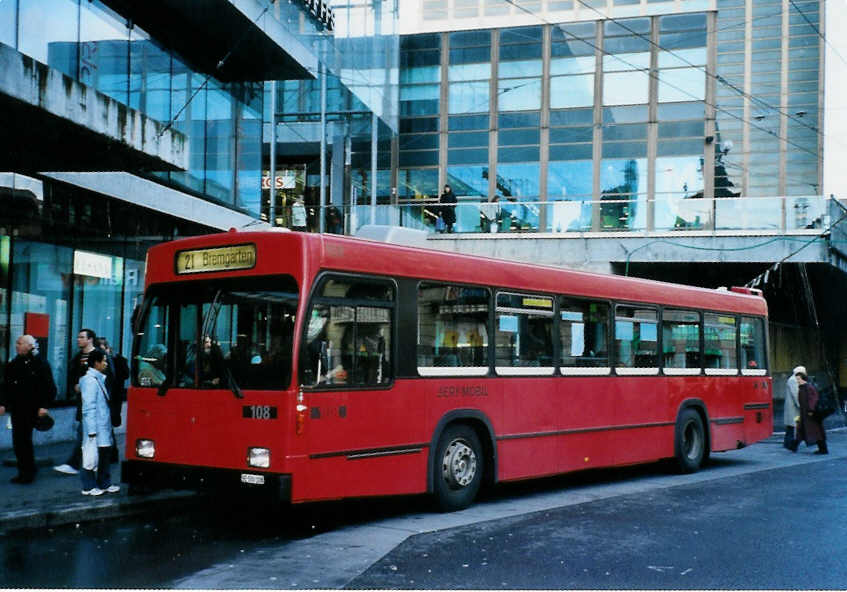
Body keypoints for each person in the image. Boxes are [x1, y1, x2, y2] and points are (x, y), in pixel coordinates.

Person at [0, 335, 57, 484]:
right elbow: (6, 386)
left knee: (24, 441)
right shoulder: (13, 364)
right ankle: (25, 470)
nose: (16, 345)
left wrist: (44, 406)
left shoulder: (40, 364)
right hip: (17, 409)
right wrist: (3, 404)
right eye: (17, 343)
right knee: (19, 441)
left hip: (32, 408)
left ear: (30, 346)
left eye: (20, 343)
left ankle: (27, 472)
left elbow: (49, 387)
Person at [54, 328, 98, 475]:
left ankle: (74, 464)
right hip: (82, 401)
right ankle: (93, 463)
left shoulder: (98, 356)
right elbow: (73, 375)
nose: (78, 340)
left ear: (90, 339)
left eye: (81, 337)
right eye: (78, 337)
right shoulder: (77, 357)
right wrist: (74, 386)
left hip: (94, 403)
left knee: (84, 432)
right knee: (88, 433)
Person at [79, 348, 120, 495]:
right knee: (90, 456)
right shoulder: (90, 381)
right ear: (96, 363)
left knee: (103, 454)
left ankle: (104, 483)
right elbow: (88, 408)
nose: (106, 364)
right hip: (96, 427)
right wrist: (91, 431)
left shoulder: (97, 379)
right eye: (103, 361)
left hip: (102, 426)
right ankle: (88, 486)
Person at [796, 368, 828, 454]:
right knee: (806, 430)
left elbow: (813, 399)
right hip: (806, 414)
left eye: (798, 379)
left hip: (810, 414)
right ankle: (793, 445)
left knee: (816, 432)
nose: (797, 381)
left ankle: (823, 449)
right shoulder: (803, 387)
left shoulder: (808, 387)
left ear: (803, 379)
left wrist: (810, 410)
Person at [783, 366, 802, 451]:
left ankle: (787, 442)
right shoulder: (793, 380)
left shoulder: (792, 379)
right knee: (793, 425)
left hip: (792, 407)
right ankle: (789, 443)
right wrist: (800, 405)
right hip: (793, 408)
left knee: (791, 426)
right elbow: (796, 393)